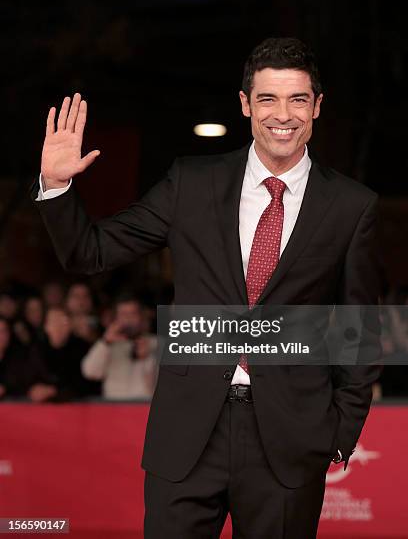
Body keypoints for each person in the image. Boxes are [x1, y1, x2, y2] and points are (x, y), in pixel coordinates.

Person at [30, 37, 382, 538]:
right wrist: (57, 186)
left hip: (289, 441)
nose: (283, 114)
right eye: (267, 98)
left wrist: (342, 431)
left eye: (298, 99)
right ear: (245, 104)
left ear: (317, 106)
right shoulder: (190, 183)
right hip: (188, 434)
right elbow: (89, 252)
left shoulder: (352, 205)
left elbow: (360, 328)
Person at [81, 295, 158, 400]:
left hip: (145, 408)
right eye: (124, 314)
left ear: (141, 317)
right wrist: (105, 342)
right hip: (114, 409)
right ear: (116, 318)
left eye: (133, 314)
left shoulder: (156, 343)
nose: (129, 319)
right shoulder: (107, 344)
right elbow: (90, 372)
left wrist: (149, 357)